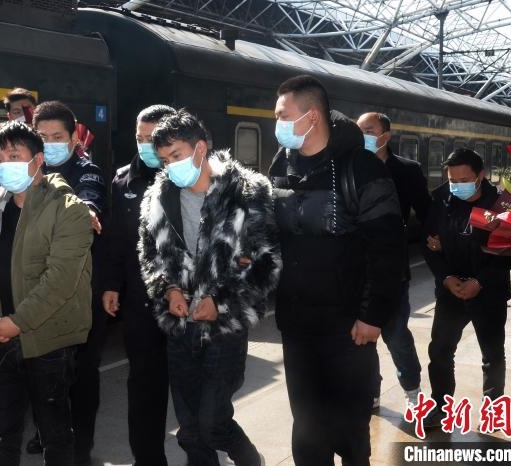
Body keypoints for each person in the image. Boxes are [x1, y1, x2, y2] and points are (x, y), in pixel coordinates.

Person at [269, 76, 403, 466]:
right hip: (297, 324)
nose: (277, 124)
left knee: (349, 431)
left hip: (348, 328)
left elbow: (387, 248)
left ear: (311, 116)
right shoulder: (282, 162)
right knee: (307, 430)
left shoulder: (360, 167)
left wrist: (373, 315)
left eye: (283, 115)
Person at [138, 109, 281, 466]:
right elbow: (150, 256)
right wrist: (168, 290)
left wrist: (220, 301)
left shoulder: (246, 194)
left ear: (200, 148)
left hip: (224, 328)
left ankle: (250, 460)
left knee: (212, 421)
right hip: (180, 327)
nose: (170, 167)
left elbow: (264, 261)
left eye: (176, 155)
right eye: (164, 160)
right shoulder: (157, 200)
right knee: (189, 430)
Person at [0, 120, 93, 465]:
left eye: (14, 156)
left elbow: (60, 279)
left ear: (38, 160)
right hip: (0, 336)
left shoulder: (68, 210)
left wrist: (17, 323)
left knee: (55, 435)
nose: (5, 165)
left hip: (48, 340)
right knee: (1, 436)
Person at [101, 104, 176, 466]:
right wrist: (112, 284)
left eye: (153, 137)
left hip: (184, 299)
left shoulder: (189, 178)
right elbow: (116, 239)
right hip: (140, 299)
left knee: (193, 388)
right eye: (139, 137)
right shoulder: (123, 180)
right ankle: (148, 458)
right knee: (144, 383)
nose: (145, 145)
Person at [33, 100, 107, 464]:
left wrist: (86, 212)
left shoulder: (86, 170)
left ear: (74, 139)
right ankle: (49, 434)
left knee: (81, 372)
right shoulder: (28, 171)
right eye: (42, 137)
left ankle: (83, 444)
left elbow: (89, 201)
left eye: (57, 136)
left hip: (81, 290)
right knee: (42, 369)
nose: (49, 143)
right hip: (37, 288)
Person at [422, 148, 511, 428]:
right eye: (452, 179)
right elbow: (428, 244)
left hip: (488, 291)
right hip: (451, 290)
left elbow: (508, 252)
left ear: (480, 176)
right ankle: (441, 407)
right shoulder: (441, 201)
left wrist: (480, 281)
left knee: (492, 354)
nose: (457, 185)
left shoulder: (501, 205)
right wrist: (445, 277)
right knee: (440, 350)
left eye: (464, 180)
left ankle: (493, 409)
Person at [357, 112, 429, 409]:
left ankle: (413, 391)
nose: (361, 135)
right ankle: (370, 391)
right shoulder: (349, 167)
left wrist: (434, 240)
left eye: (368, 130)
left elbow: (425, 210)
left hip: (392, 269)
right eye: (358, 130)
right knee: (363, 338)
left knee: (396, 335)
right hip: (357, 269)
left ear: (385, 136)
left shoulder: (407, 170)